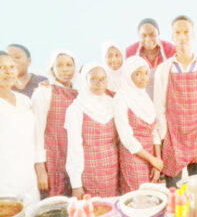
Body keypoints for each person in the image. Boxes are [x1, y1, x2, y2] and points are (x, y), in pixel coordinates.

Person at [154, 15, 197, 187]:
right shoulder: (164, 69)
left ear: (193, 35)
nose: (182, 37)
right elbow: (159, 107)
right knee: (174, 191)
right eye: (177, 33)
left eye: (186, 32)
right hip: (173, 138)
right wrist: (166, 136)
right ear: (172, 37)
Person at [66, 63, 119, 199]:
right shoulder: (76, 108)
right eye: (93, 79)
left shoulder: (111, 103)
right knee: (92, 212)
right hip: (89, 171)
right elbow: (74, 147)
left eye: (102, 79)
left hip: (112, 169)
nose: (99, 83)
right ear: (84, 81)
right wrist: (76, 184)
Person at [114, 56, 163, 193]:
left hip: (151, 155)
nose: (143, 78)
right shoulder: (121, 97)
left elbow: (154, 132)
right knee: (138, 196)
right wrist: (152, 159)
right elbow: (126, 137)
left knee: (152, 195)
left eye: (146, 73)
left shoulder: (146, 98)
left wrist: (157, 162)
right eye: (138, 74)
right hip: (133, 156)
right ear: (129, 75)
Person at [33, 50, 78, 197]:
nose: (65, 69)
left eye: (69, 65)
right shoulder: (44, 92)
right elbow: (37, 130)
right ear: (52, 69)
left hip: (74, 159)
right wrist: (40, 168)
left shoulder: (79, 93)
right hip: (53, 159)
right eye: (59, 65)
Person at [0, 52, 39, 200]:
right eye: (1, 67)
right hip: (4, 182)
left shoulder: (24, 100)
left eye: (11, 67)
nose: (8, 71)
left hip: (28, 178)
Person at [126, 18, 175, 99]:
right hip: (140, 100)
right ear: (139, 36)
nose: (148, 39)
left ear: (158, 34)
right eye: (144, 35)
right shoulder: (130, 52)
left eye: (152, 34)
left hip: (165, 98)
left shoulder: (170, 49)